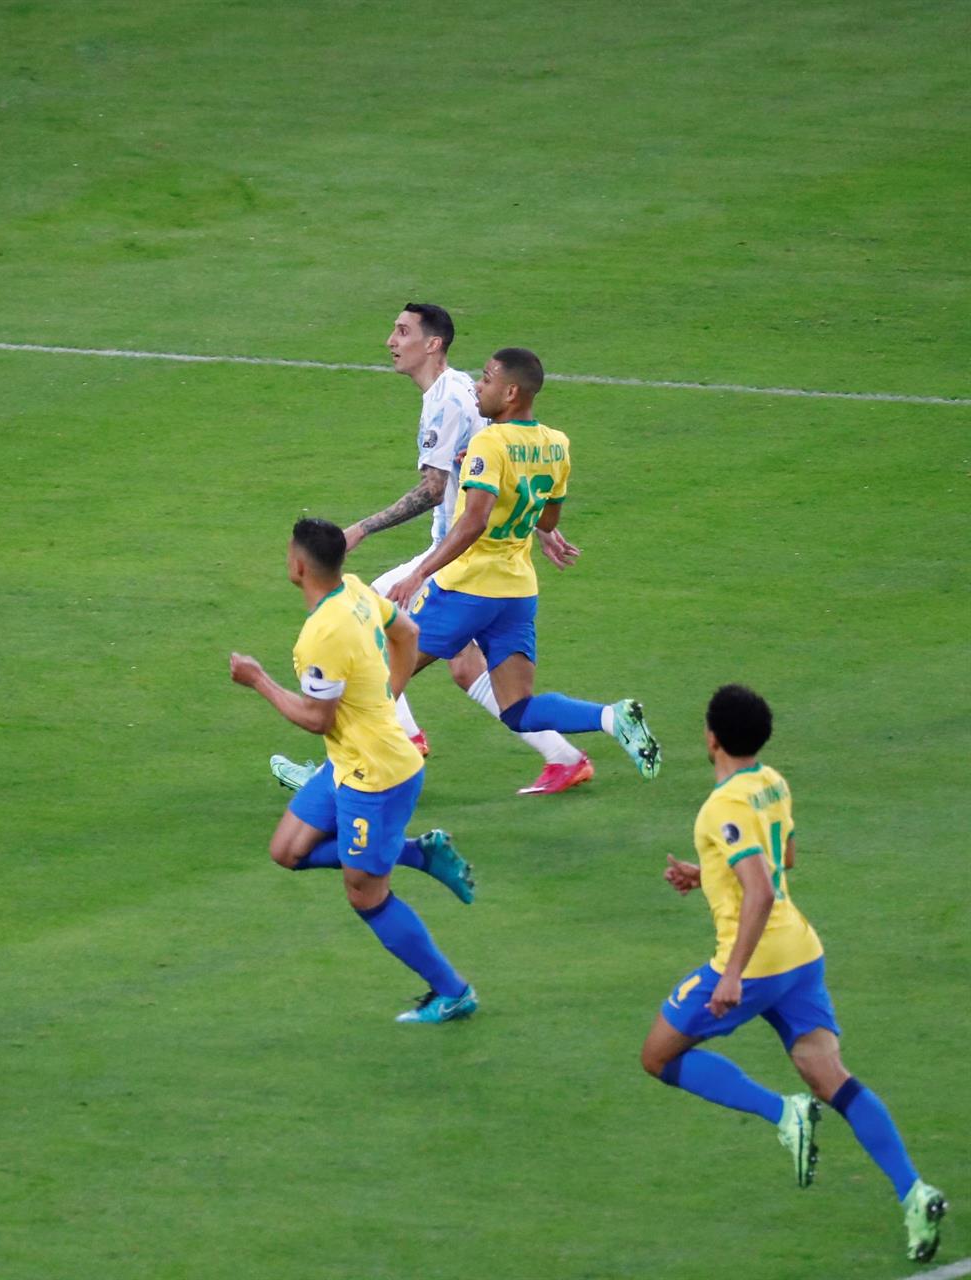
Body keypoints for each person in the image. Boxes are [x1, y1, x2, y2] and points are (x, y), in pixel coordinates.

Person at [639, 685, 947, 1262]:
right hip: (801, 953)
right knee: (831, 1075)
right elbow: (783, 860)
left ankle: (782, 1112)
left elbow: (757, 888)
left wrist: (731, 975)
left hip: (755, 963)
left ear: (711, 737)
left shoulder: (720, 807)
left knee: (658, 1055)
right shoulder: (772, 783)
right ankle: (914, 1191)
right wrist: (706, 873)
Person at [273, 304, 592, 797]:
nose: (390, 341)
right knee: (467, 668)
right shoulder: (466, 386)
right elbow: (503, 462)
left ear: (433, 344)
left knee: (371, 630)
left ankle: (365, 759)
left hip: (460, 557)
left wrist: (361, 529)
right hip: (489, 556)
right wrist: (535, 527)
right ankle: (564, 756)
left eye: (402, 332)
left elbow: (432, 489)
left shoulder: (446, 401)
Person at [230, 517, 479, 1024]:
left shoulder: (319, 635)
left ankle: (453, 992)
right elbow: (407, 632)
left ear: (298, 566)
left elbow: (314, 717)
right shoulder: (355, 590)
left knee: (365, 892)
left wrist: (258, 680)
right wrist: (390, 692)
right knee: (287, 851)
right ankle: (417, 853)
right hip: (349, 760)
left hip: (379, 776)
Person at [382, 346, 661, 778]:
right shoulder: (556, 444)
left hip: (465, 588)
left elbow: (472, 523)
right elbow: (547, 518)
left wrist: (419, 573)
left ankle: (335, 780)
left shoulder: (488, 443)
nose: (479, 385)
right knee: (517, 709)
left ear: (511, 392)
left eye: (488, 378)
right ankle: (611, 717)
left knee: (378, 677)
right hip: (516, 592)